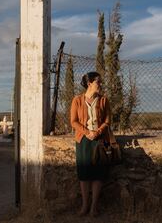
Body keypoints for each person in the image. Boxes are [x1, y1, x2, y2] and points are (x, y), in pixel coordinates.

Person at [70, 72, 110, 217]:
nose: (100, 84)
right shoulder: (77, 100)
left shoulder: (104, 100)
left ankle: (94, 207)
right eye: (98, 82)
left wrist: (97, 132)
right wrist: (87, 132)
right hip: (83, 140)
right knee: (84, 174)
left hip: (99, 140)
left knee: (98, 174)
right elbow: (73, 121)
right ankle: (84, 205)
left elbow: (107, 121)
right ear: (89, 84)